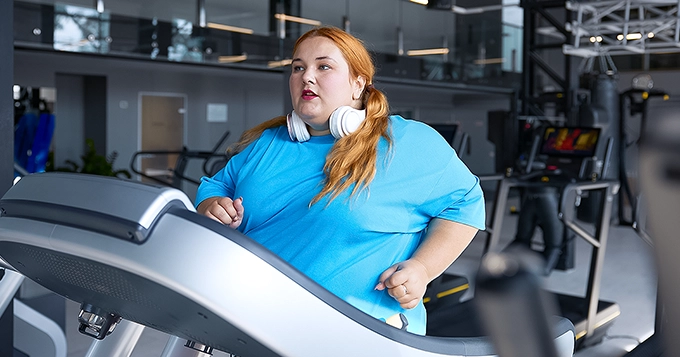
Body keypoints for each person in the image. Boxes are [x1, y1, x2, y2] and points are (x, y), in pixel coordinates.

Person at [195, 26, 485, 335]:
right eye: (298, 67)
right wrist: (212, 204)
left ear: (358, 84)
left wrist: (423, 268)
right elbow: (217, 185)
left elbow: (464, 203)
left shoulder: (407, 142)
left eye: (323, 66)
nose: (306, 76)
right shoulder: (267, 142)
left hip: (357, 332)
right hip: (255, 319)